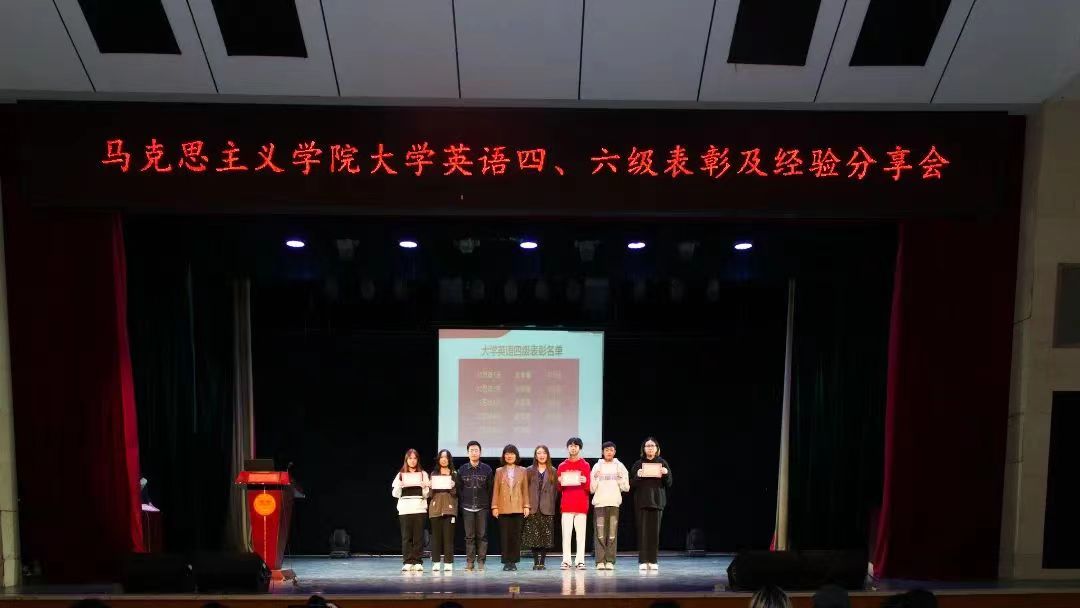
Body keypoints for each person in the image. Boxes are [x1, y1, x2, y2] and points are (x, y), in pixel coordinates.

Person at [629, 436, 672, 571]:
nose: (650, 448)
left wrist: (666, 473)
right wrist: (638, 476)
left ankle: (653, 560)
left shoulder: (662, 462)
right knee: (642, 533)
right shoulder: (638, 464)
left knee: (654, 533)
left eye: (652, 446)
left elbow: (669, 483)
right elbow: (631, 484)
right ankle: (643, 560)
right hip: (642, 502)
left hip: (657, 502)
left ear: (657, 448)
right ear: (643, 449)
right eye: (647, 446)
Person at [590, 440, 630, 570]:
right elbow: (591, 489)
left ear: (614, 452)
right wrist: (595, 478)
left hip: (613, 503)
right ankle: (600, 561)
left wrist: (620, 478)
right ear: (602, 452)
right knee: (600, 534)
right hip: (600, 504)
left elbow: (626, 487)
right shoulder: (597, 466)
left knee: (612, 533)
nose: (609, 452)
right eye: (606, 450)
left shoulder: (620, 466)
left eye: (611, 450)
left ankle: (610, 561)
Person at [492, 444, 530, 570]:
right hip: (503, 508)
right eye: (507, 454)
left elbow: (525, 489)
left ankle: (513, 562)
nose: (509, 456)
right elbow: (496, 490)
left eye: (512, 453)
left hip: (518, 507)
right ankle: (506, 562)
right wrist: (494, 507)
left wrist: (526, 506)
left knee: (516, 536)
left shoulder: (523, 470)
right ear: (504, 456)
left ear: (516, 456)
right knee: (504, 536)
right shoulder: (499, 471)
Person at [391, 448, 430, 572]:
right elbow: (395, 494)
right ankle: (408, 561)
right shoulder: (401, 474)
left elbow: (427, 495)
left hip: (419, 509)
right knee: (406, 537)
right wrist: (399, 486)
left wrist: (424, 487)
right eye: (410, 458)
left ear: (417, 460)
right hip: (405, 509)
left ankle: (417, 561)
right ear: (406, 460)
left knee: (418, 537)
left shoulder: (423, 474)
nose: (412, 461)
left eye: (415, 458)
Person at [457, 440, 494, 571]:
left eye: (476, 450)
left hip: (482, 507)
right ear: (467, 453)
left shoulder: (487, 469)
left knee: (482, 536)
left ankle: (481, 562)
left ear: (480, 452)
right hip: (467, 507)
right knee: (469, 536)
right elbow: (459, 489)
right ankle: (470, 562)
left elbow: (490, 489)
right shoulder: (462, 470)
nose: (474, 453)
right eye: (471, 450)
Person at [557, 437, 591, 570]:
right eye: (571, 446)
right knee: (566, 535)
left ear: (579, 448)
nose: (573, 448)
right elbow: (559, 489)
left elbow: (589, 487)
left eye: (576, 446)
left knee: (581, 535)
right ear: (568, 448)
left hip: (581, 504)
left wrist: (585, 481)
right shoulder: (562, 466)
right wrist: (560, 481)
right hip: (567, 504)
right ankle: (566, 560)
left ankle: (580, 561)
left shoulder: (585, 465)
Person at [524, 444, 558, 570]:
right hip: (532, 507)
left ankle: (542, 562)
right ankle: (535, 562)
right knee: (533, 536)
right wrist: (526, 505)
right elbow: (525, 490)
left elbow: (555, 491)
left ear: (547, 455)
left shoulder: (553, 470)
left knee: (545, 536)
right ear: (535, 455)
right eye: (539, 453)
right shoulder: (529, 470)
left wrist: (550, 503)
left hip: (547, 507)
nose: (541, 455)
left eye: (544, 453)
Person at [428, 449, 459, 572]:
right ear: (439, 459)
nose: (444, 459)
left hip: (450, 509)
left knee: (448, 538)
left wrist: (453, 486)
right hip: (435, 509)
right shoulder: (434, 474)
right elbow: (430, 495)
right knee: (436, 538)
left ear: (449, 459)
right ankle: (436, 562)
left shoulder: (454, 474)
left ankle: (448, 562)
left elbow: (457, 494)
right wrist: (430, 486)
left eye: (446, 457)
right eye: (441, 457)